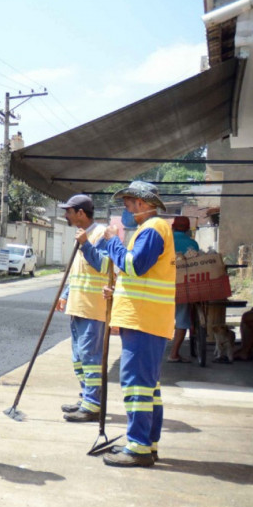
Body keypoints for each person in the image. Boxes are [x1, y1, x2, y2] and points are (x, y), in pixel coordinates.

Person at [79, 181, 175, 467]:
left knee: (137, 386)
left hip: (144, 320)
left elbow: (134, 265)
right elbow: (138, 275)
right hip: (147, 319)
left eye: (130, 203)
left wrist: (110, 242)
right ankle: (147, 443)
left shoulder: (152, 229)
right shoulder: (152, 229)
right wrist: (118, 289)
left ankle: (138, 447)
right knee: (148, 388)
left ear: (143, 204)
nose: (126, 209)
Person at [55, 194, 111, 422]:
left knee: (90, 356)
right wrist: (66, 294)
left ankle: (93, 405)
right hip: (78, 306)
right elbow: (79, 271)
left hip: (93, 308)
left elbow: (104, 265)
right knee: (78, 357)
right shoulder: (82, 236)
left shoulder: (102, 234)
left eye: (68, 211)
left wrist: (86, 244)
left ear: (80, 213)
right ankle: (86, 397)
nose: (65, 215)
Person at [167, 216, 200, 363]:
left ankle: (153, 351)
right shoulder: (192, 243)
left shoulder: (165, 241)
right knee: (181, 319)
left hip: (162, 286)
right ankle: (174, 354)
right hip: (183, 286)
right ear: (187, 229)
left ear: (173, 227)